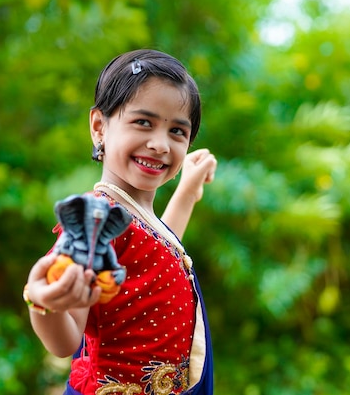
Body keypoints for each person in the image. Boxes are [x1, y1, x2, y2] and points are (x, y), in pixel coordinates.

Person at [24, 49, 216, 394]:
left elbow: (160, 254)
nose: (160, 144)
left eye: (177, 131)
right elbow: (66, 339)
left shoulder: (135, 220)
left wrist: (187, 190)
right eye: (143, 122)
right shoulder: (94, 222)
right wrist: (43, 303)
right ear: (99, 127)